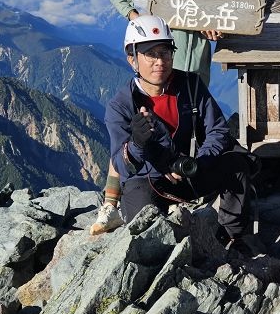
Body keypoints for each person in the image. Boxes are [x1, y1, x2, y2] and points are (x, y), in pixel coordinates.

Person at [91, 0, 232, 235]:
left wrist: (221, 31)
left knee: (185, 134)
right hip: (156, 67)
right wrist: (137, 20)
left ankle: (178, 193)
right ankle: (111, 203)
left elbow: (237, 20)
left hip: (194, 73)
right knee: (138, 127)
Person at [104, 14, 257, 252]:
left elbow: (218, 130)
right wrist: (136, 144)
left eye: (165, 52)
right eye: (150, 54)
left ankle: (232, 237)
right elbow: (121, 166)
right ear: (132, 59)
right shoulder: (121, 105)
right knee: (144, 228)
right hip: (148, 181)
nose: (160, 61)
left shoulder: (190, 85)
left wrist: (199, 162)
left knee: (236, 165)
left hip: (188, 172)